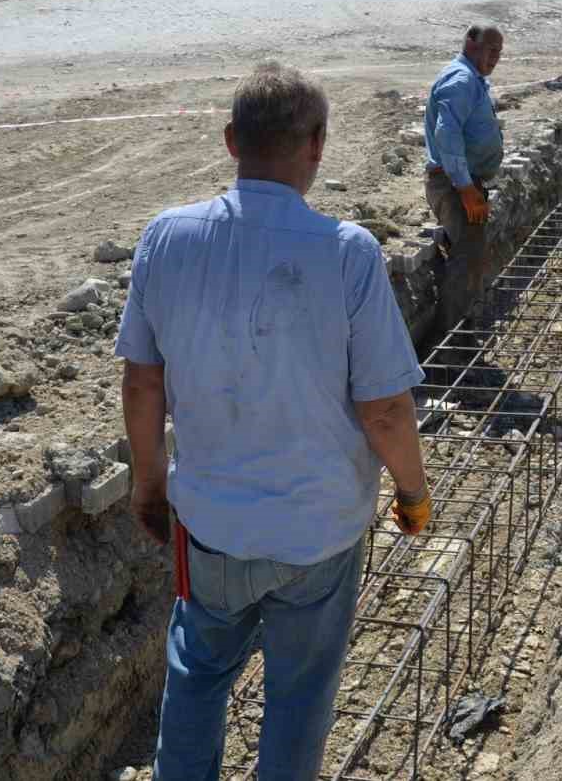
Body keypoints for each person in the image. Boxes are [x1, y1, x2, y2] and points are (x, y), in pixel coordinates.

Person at [117, 63, 433, 780]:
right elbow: (384, 409)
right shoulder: (346, 253)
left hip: (211, 531)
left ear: (231, 140)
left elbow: (141, 381)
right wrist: (412, 493)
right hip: (318, 534)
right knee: (298, 693)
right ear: (317, 145)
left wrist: (149, 484)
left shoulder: (166, 238)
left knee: (197, 670)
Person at [425, 25, 505, 332]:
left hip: (463, 183)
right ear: (470, 43)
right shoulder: (461, 81)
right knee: (468, 258)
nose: (495, 57)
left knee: (470, 254)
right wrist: (465, 188)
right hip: (454, 184)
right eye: (490, 49)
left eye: (499, 51)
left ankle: (459, 330)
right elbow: (447, 133)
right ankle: (449, 346)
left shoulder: (473, 80)